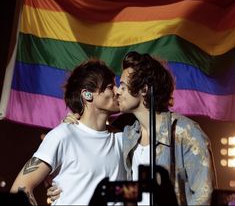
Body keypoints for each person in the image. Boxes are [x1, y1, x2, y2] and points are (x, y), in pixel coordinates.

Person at [48, 51, 216, 205]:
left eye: (123, 86)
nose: (117, 92)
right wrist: (58, 180)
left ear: (143, 89)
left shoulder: (184, 132)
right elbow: (91, 150)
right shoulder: (127, 135)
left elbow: (205, 195)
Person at [10, 60, 126, 205]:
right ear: (88, 94)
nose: (118, 90)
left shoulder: (123, 139)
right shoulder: (63, 136)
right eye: (110, 86)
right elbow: (21, 187)